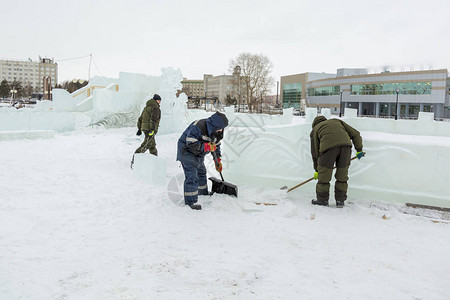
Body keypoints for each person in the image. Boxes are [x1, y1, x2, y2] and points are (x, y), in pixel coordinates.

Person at [177, 112, 228, 210]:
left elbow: (216, 146)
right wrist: (206, 146)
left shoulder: (215, 132)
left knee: (201, 172)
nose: (221, 130)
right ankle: (190, 202)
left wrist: (217, 160)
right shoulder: (199, 126)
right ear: (215, 125)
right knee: (192, 176)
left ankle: (202, 193)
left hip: (198, 154)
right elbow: (190, 143)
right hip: (186, 152)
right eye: (220, 127)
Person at [310, 116, 364, 208]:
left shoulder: (315, 129)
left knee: (324, 176)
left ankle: (322, 200)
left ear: (314, 124)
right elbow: (356, 134)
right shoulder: (337, 121)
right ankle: (340, 200)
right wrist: (359, 150)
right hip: (346, 147)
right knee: (342, 175)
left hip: (328, 149)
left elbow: (315, 153)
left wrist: (318, 170)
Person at [131, 94, 162, 168]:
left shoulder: (146, 107)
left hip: (145, 128)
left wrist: (139, 129)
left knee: (152, 146)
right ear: (156, 100)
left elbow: (140, 118)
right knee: (146, 144)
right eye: (159, 100)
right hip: (150, 129)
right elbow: (153, 120)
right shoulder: (155, 108)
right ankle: (135, 159)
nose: (160, 102)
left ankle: (155, 160)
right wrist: (152, 129)